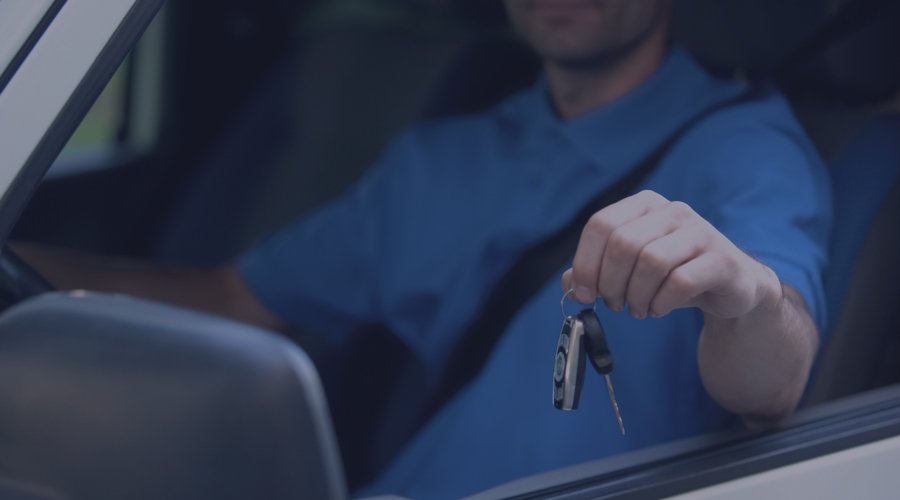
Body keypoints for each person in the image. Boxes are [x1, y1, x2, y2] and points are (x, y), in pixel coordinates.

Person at [18, 0, 830, 497]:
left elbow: (774, 383)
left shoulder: (746, 149)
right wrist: (24, 271)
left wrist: (744, 294)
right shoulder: (442, 158)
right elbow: (236, 298)